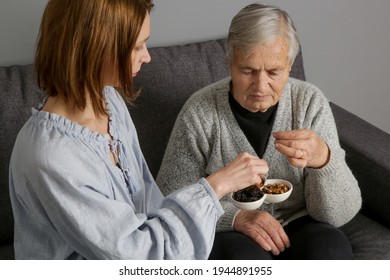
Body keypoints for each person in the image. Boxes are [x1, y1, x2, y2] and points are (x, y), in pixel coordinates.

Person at [8, 0, 269, 260]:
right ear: (96, 47)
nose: (147, 56)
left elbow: (149, 204)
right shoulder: (51, 156)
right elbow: (139, 255)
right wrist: (217, 185)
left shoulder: (109, 101)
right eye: (136, 46)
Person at [156, 3, 362, 260]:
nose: (261, 86)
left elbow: (339, 215)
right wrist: (235, 217)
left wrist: (324, 161)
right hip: (233, 231)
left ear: (290, 65)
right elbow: (168, 200)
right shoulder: (199, 113)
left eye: (274, 72)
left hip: (303, 223)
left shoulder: (309, 103)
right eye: (248, 71)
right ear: (230, 62)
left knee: (331, 251)